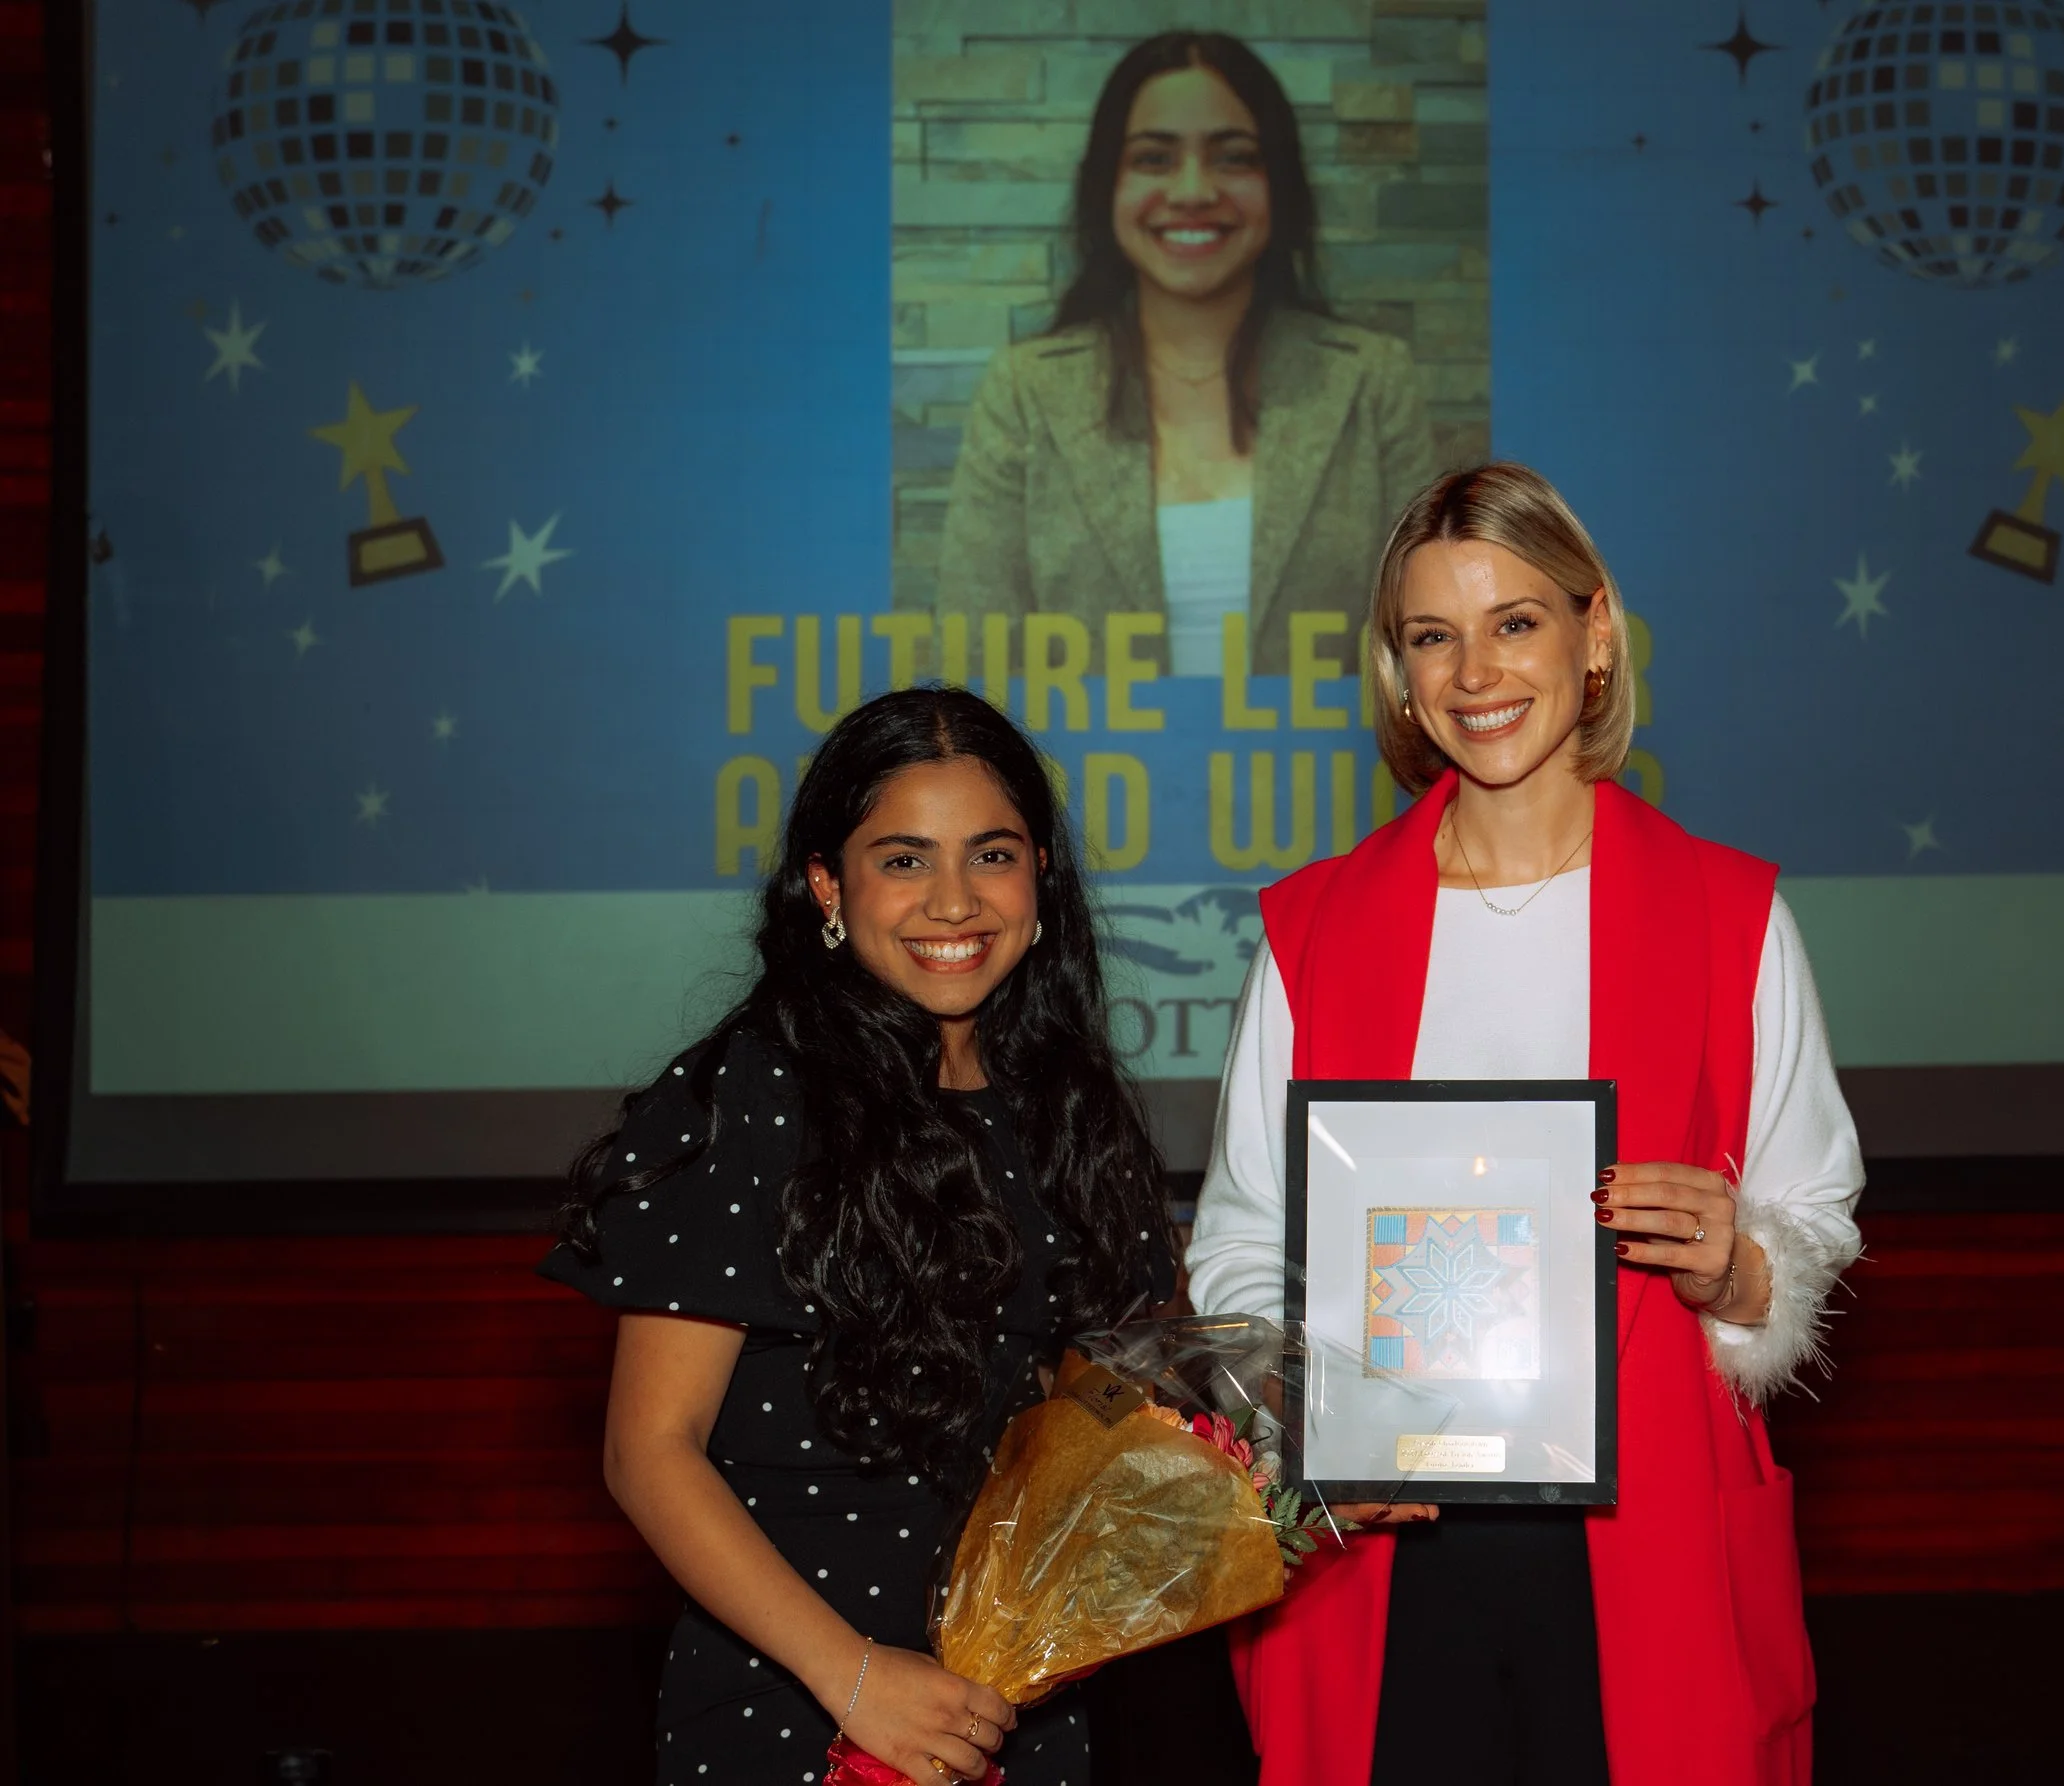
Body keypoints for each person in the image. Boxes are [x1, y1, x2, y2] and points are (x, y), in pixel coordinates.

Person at [1185, 464, 1866, 1786]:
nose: (1474, 670)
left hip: (1648, 1538)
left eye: (1515, 621)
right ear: (1399, 669)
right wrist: (1303, 1399)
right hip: (1381, 1548)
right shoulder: (1311, 931)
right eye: (1432, 635)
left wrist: (1735, 1265)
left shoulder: (1731, 917)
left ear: (1594, 633)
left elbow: (1813, 1220)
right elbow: (1236, 1246)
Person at [543, 688, 1174, 1786]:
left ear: (1040, 876)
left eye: (990, 854)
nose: (953, 900)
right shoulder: (749, 1099)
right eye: (902, 860)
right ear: (828, 886)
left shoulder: (1068, 1109)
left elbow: (1117, 1402)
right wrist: (853, 1676)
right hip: (801, 1710)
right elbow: (647, 1452)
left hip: (1018, 1712)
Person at [931, 31, 1438, 676]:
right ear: (1106, 186)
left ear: (1277, 184)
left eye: (1234, 158)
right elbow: (972, 663)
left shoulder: (1372, 383)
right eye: (1153, 158)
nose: (1194, 190)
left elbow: (1427, 648)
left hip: (1321, 779)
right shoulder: (1023, 394)